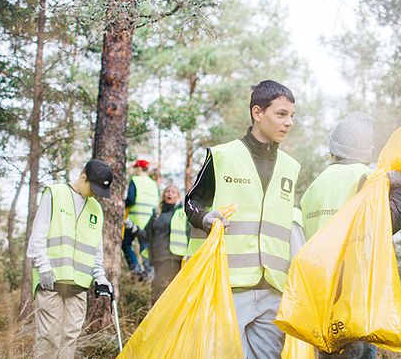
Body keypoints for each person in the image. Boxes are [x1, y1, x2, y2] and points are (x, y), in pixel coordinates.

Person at [185, 80, 300, 358]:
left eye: (291, 116)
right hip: (228, 286)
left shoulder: (291, 167)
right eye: (281, 114)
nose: (289, 123)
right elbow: (191, 203)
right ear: (257, 113)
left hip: (273, 287)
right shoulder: (222, 156)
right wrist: (206, 219)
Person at [299, 111, 401, 359]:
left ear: (334, 147)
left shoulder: (316, 185)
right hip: (355, 295)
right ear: (366, 149)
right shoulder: (368, 177)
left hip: (322, 295)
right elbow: (384, 225)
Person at [26, 159, 114, 359]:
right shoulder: (55, 193)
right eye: (94, 188)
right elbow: (37, 236)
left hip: (79, 286)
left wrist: (100, 277)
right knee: (49, 338)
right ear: (83, 177)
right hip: (51, 280)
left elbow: (96, 249)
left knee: (70, 338)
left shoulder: (96, 209)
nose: (96, 194)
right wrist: (44, 267)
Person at [125, 183, 188, 305]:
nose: (170, 193)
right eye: (167, 191)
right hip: (156, 260)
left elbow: (189, 233)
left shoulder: (181, 214)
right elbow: (146, 235)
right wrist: (132, 227)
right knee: (158, 293)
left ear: (178, 196)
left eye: (173, 191)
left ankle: (159, 321)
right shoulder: (157, 214)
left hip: (171, 259)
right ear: (163, 195)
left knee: (158, 294)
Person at [123, 159, 159, 278]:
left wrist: (123, 203)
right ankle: (149, 272)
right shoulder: (153, 184)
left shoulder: (135, 180)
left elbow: (131, 199)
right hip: (149, 221)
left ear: (139, 168)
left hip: (135, 218)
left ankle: (136, 268)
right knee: (145, 247)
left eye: (135, 168)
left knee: (126, 244)